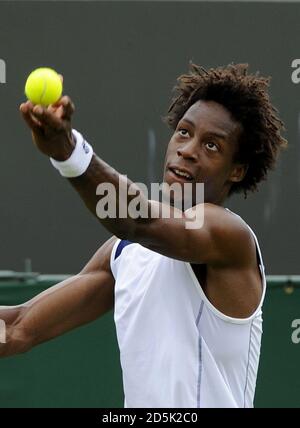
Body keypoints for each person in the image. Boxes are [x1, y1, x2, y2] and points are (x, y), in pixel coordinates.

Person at [0, 63, 286, 408]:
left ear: (237, 170)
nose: (188, 149)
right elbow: (17, 328)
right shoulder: (124, 253)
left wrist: (69, 152)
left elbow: (137, 221)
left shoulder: (230, 236)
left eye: (212, 146)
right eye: (184, 132)